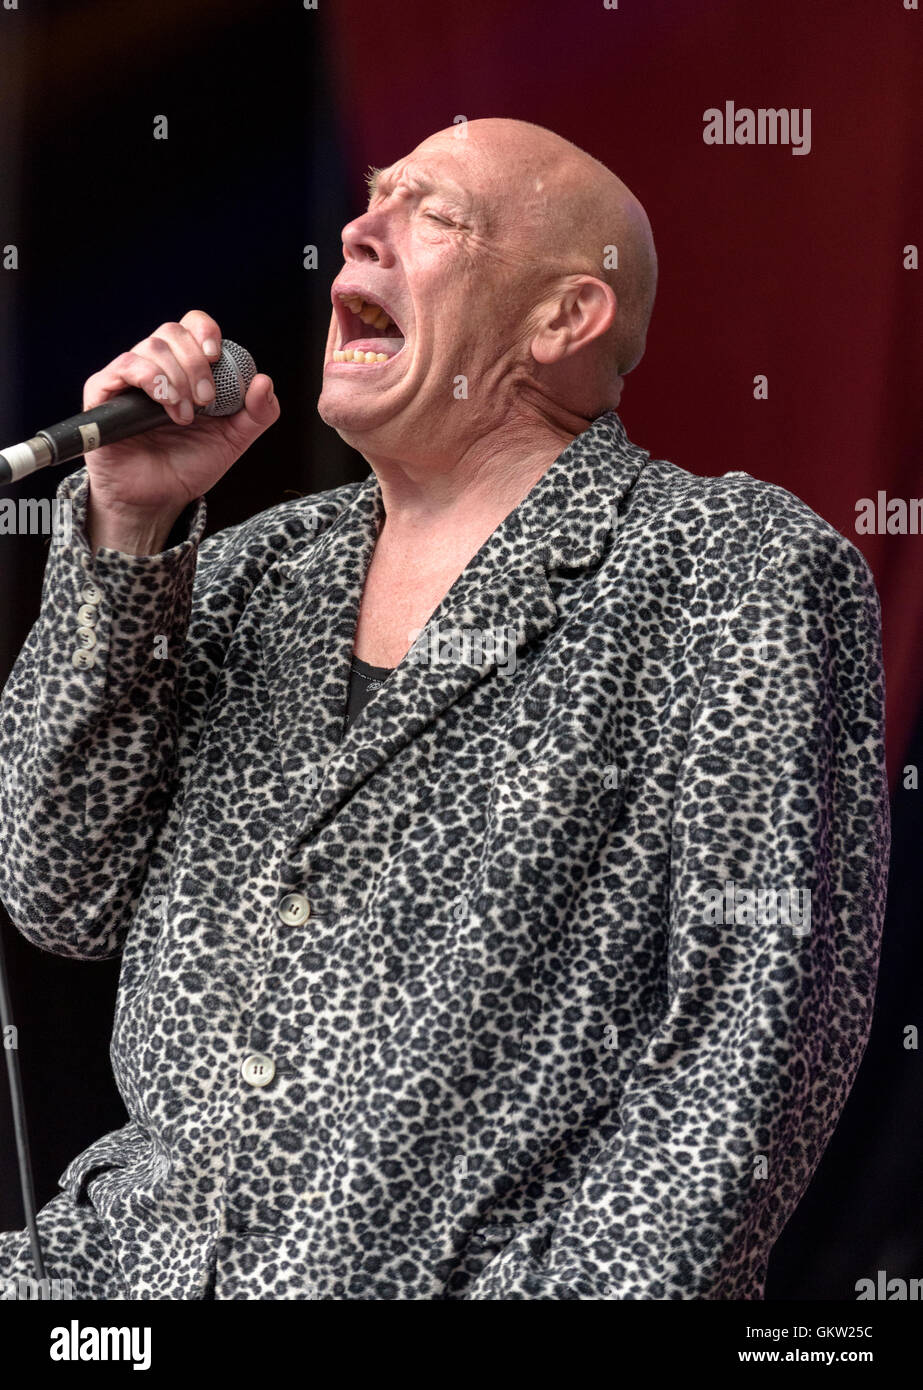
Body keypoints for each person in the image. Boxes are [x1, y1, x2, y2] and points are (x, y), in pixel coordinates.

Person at [0, 118, 889, 1300]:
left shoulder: (725, 572)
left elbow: (755, 1048)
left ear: (563, 317)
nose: (359, 229)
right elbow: (59, 891)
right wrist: (128, 530)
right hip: (117, 1281)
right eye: (370, 199)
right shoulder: (252, 569)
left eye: (430, 214)